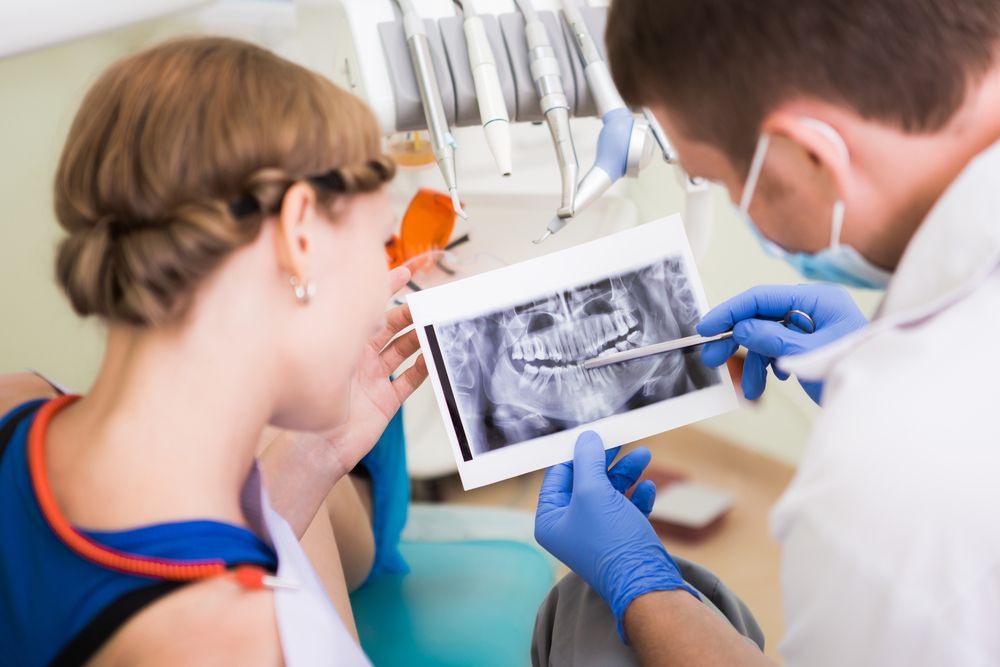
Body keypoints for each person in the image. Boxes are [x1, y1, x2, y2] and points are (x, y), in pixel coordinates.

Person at [531, 1, 1000, 665]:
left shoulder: (883, 484)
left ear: (810, 153)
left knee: (581, 619)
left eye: (724, 181)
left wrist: (641, 585)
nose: (739, 208)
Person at [0, 37, 428, 665]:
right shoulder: (244, 645)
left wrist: (316, 455)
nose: (383, 281)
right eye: (382, 244)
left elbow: (139, 568)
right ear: (299, 234)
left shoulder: (15, 404)